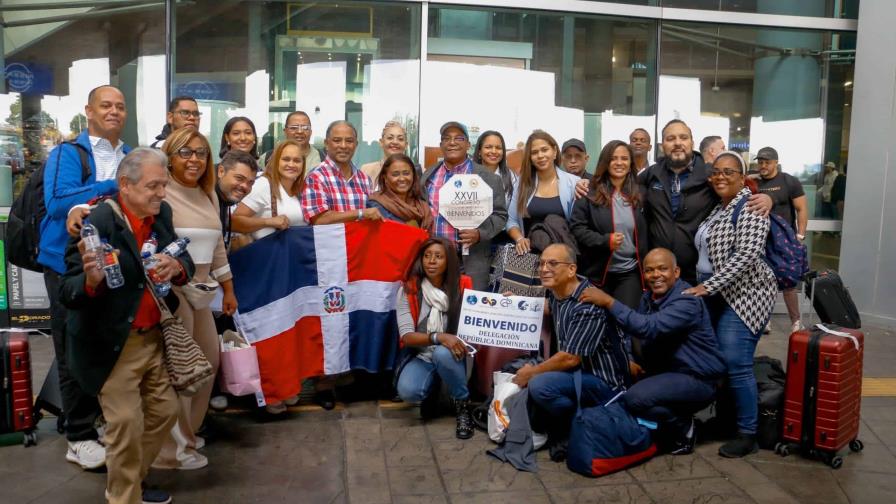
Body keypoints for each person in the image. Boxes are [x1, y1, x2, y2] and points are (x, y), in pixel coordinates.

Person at [60, 148, 195, 504]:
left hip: (154, 339)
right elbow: (67, 291)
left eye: (163, 185)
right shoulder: (98, 221)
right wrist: (91, 280)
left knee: (165, 412)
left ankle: (132, 480)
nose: (161, 194)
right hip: (113, 345)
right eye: (153, 186)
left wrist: (175, 265)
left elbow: (186, 261)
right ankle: (124, 497)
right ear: (125, 185)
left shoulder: (160, 213)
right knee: (126, 427)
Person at [41, 85, 133, 470]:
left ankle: (100, 422)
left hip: (112, 266)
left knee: (107, 344)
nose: (113, 111)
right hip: (68, 265)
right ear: (89, 111)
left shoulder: (129, 155)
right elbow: (58, 201)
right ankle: (77, 436)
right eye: (105, 105)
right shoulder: (67, 153)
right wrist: (113, 187)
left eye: (120, 106)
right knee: (72, 345)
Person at [579, 248, 726, 455]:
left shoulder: (687, 300)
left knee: (635, 398)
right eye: (649, 271)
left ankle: (683, 428)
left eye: (662, 269)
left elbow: (648, 327)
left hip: (698, 378)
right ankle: (667, 421)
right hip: (669, 373)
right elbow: (632, 333)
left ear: (676, 272)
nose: (655, 275)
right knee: (619, 388)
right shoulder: (649, 298)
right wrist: (630, 358)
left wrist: (609, 301)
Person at [151, 129, 237, 470]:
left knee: (208, 364)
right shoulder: (161, 192)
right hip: (171, 292)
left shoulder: (208, 194)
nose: (195, 159)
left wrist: (229, 289)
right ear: (170, 155)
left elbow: (217, 247)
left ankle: (189, 433)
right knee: (180, 371)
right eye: (186, 152)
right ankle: (170, 452)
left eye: (201, 153)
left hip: (203, 290)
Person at [683, 151, 776, 458]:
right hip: (720, 296)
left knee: (737, 364)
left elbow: (747, 255)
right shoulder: (719, 208)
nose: (720, 176)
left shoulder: (750, 206)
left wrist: (706, 286)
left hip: (747, 295)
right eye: (716, 172)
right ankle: (726, 422)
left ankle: (747, 433)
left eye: (728, 172)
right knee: (720, 363)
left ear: (741, 176)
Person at [513, 244, 629, 453]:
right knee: (523, 370)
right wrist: (513, 304)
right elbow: (551, 308)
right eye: (542, 263)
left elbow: (570, 359)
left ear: (571, 270)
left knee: (539, 384)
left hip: (603, 382)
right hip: (576, 375)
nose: (544, 268)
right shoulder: (559, 291)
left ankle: (576, 425)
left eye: (553, 263)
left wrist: (532, 373)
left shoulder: (587, 302)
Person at [639, 119, 771, 285]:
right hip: (660, 271)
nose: (677, 143)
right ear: (662, 145)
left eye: (683, 137)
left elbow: (741, 190)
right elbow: (626, 188)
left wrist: (766, 198)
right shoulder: (652, 174)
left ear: (692, 142)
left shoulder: (712, 173)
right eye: (670, 139)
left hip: (697, 272)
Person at [395, 237, 475, 439]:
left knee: (442, 353)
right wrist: (439, 336)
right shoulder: (409, 289)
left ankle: (463, 405)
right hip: (423, 356)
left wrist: (501, 302)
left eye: (438, 257)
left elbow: (478, 321)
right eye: (427, 256)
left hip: (454, 355)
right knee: (408, 390)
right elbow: (407, 336)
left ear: (449, 260)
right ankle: (433, 393)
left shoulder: (463, 286)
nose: (431, 261)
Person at [422, 121, 508, 290]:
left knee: (466, 312)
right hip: (434, 263)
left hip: (470, 261)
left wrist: (479, 233)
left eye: (459, 138)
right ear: (441, 145)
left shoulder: (489, 178)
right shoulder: (428, 176)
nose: (452, 142)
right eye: (446, 138)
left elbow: (501, 216)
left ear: (468, 144)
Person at [570, 140, 648, 310]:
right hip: (597, 272)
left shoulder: (640, 193)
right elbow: (577, 229)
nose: (619, 163)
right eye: (613, 158)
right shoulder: (588, 192)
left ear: (630, 163)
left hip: (630, 272)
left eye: (624, 159)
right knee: (598, 324)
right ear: (605, 162)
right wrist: (605, 241)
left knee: (625, 322)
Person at [754, 146, 808, 333]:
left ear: (776, 162)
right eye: (760, 162)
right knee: (763, 281)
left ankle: (795, 321)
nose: (763, 165)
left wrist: (800, 235)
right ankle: (764, 320)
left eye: (767, 162)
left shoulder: (789, 181)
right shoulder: (755, 183)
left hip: (785, 240)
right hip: (761, 239)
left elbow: (801, 209)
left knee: (788, 283)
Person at [506, 130, 580, 256]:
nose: (540, 155)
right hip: (529, 256)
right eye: (534, 152)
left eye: (544, 150)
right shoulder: (522, 184)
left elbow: (579, 225)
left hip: (562, 257)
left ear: (555, 152)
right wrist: (519, 238)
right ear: (530, 157)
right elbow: (511, 220)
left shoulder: (573, 183)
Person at [302, 120, 381, 225]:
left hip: (360, 241)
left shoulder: (364, 179)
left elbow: (372, 215)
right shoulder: (315, 177)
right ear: (326, 143)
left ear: (356, 144)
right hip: (330, 241)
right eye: (337, 140)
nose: (343, 146)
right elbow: (318, 219)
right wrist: (360, 213)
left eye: (349, 141)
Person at [233, 139, 307, 242]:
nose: (291, 164)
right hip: (269, 254)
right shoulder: (264, 185)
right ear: (276, 161)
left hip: (294, 254)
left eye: (297, 160)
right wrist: (268, 222)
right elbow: (234, 222)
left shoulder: (301, 190)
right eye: (286, 159)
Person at [367, 153, 433, 230]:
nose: (402, 179)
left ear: (413, 175)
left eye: (406, 173)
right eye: (395, 174)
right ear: (385, 178)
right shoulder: (376, 205)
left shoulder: (422, 206)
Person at [215, 150, 258, 250]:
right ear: (221, 171)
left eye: (250, 183)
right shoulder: (205, 196)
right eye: (239, 178)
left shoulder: (223, 199)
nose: (245, 186)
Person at [361, 120, 410, 189]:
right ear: (381, 142)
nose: (395, 142)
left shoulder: (416, 172)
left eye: (400, 139)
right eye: (390, 138)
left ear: (406, 145)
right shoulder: (366, 170)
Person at [473, 130, 514, 202]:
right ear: (479, 151)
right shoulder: (468, 174)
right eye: (488, 147)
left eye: (498, 148)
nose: (494, 151)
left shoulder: (511, 176)